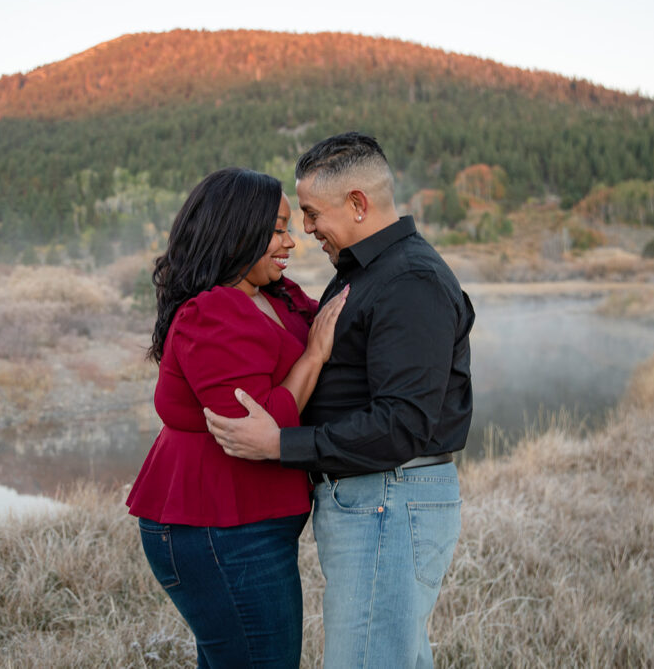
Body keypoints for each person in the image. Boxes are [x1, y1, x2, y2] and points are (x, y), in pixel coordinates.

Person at [204, 133, 475, 668]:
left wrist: (280, 444)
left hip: (388, 500)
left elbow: (403, 424)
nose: (305, 229)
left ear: (357, 203)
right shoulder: (370, 273)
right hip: (378, 501)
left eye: (311, 212)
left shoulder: (409, 280)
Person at [125, 167, 348, 668]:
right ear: (236, 230)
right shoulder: (211, 314)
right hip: (216, 528)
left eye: (289, 227)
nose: (291, 242)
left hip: (246, 526)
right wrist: (312, 358)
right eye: (276, 230)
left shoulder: (276, 296)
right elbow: (258, 428)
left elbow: (335, 324)